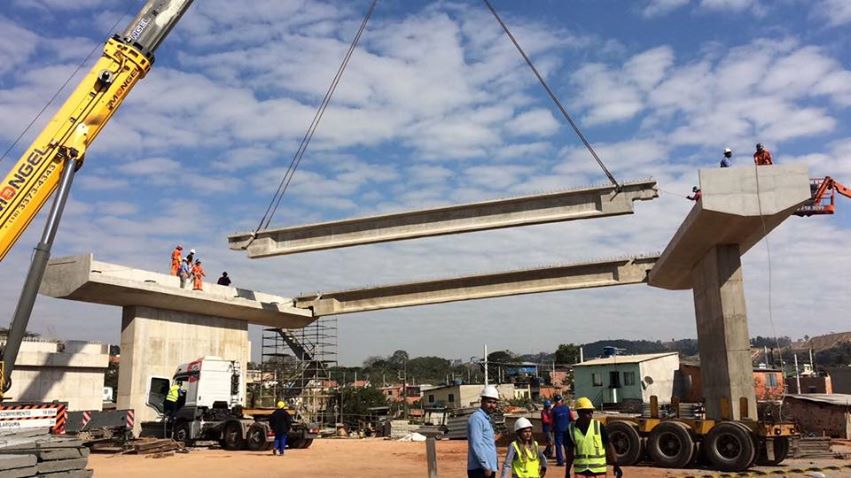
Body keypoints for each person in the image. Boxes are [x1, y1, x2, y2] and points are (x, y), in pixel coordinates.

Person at [564, 397, 622, 478]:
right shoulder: (571, 429)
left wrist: (616, 464)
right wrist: (567, 471)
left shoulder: (598, 426)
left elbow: (608, 446)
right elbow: (569, 453)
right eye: (587, 412)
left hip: (598, 471)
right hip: (581, 472)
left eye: (591, 411)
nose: (591, 414)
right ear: (579, 412)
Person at [468, 385, 500, 478]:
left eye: (494, 403)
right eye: (489, 402)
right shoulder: (477, 418)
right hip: (480, 470)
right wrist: (485, 466)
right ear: (482, 402)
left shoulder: (486, 419)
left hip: (488, 468)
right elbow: (476, 444)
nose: (492, 405)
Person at [551, 395, 572, 466]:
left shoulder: (554, 410)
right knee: (567, 445)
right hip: (566, 429)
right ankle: (569, 459)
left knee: (558, 445)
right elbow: (571, 417)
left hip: (558, 429)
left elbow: (552, 421)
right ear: (561, 400)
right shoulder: (566, 408)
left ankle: (560, 461)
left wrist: (552, 428)